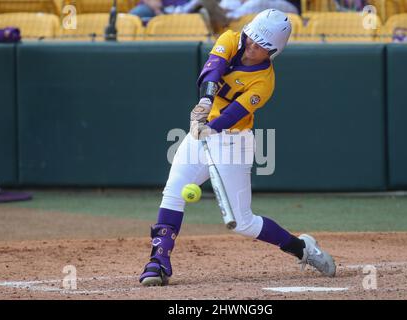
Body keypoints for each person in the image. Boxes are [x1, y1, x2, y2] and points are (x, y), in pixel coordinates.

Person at [139, 9, 336, 287]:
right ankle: (158, 261)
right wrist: (205, 104)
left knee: (243, 223)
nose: (251, 46)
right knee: (173, 191)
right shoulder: (232, 38)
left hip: (234, 141)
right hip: (202, 129)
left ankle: (302, 248)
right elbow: (213, 68)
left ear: (272, 52)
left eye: (260, 46)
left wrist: (212, 126)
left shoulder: (264, 82)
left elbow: (235, 112)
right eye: (251, 38)